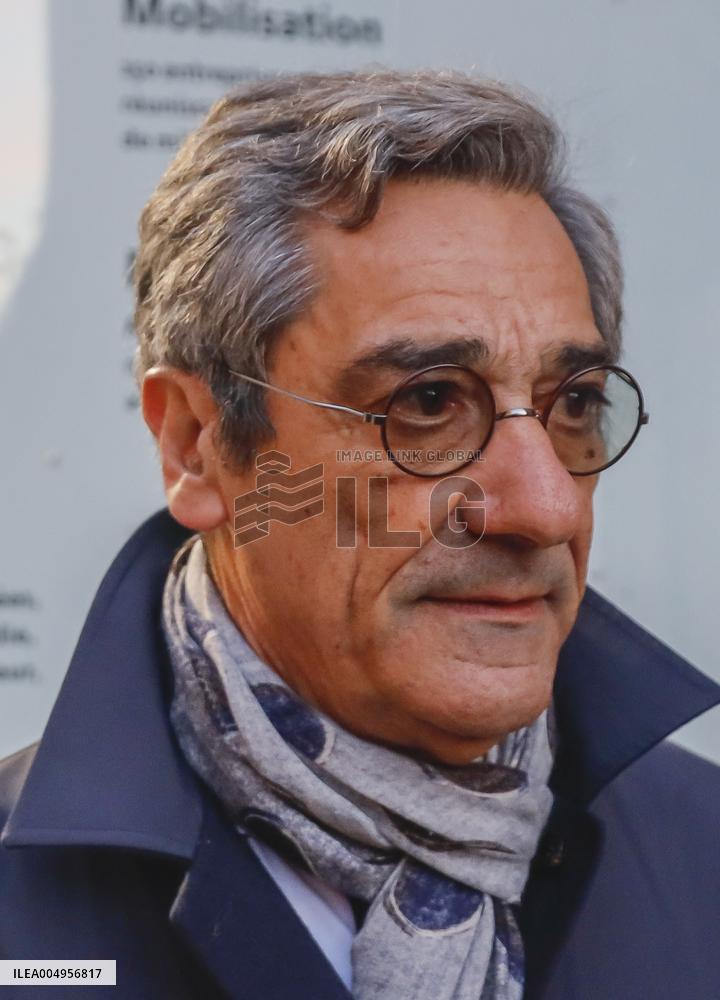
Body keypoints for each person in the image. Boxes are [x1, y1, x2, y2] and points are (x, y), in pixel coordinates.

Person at [1, 70, 719, 1000]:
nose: (548, 508)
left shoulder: (701, 859)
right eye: (426, 404)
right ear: (196, 443)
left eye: (574, 403)